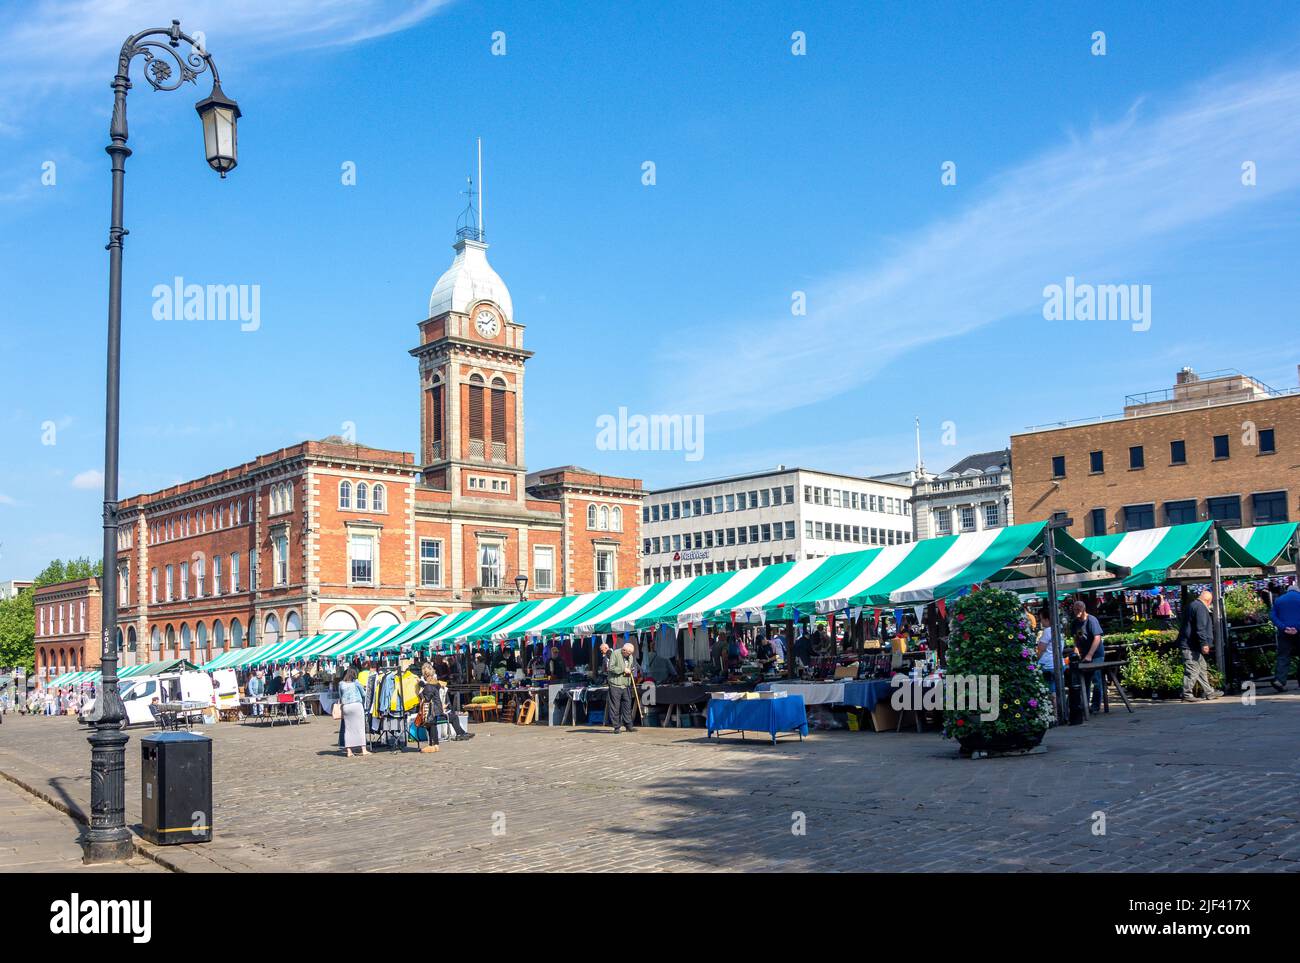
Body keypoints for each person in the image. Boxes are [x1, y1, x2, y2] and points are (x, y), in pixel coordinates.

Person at [418, 663, 473, 752]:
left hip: (432, 711)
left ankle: (433, 745)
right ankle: (436, 744)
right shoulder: (435, 683)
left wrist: (421, 689)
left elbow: (426, 699)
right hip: (437, 710)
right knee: (434, 725)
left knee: (431, 725)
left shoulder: (428, 686)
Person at [1179, 589, 1222, 701]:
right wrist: (1204, 644)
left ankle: (1209, 692)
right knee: (1192, 669)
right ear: (1208, 601)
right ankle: (1187, 694)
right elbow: (1200, 627)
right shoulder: (1201, 608)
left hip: (1192, 644)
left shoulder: (1192, 605)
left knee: (1202, 668)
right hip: (1191, 645)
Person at [1070, 600, 1106, 712]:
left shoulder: (1091, 620)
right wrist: (1076, 648)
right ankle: (1084, 705)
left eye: (1079, 609)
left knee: (1096, 680)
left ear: (1083, 609)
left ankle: (1095, 706)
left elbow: (1097, 638)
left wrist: (1090, 654)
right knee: (1084, 680)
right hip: (1084, 655)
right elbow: (1076, 637)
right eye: (1075, 609)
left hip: (1096, 654)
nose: (1077, 612)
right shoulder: (1075, 622)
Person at [1270, 583, 1300, 692]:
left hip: (1284, 632)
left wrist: (1284, 627)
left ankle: (1280, 680)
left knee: (1283, 656)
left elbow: (1273, 616)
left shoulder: (1279, 600)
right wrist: (1297, 628)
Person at [606, 641, 637, 733]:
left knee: (627, 706)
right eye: (628, 653)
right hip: (615, 684)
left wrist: (631, 670)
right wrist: (623, 669)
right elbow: (610, 668)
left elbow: (629, 667)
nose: (630, 655)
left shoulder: (630, 656)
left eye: (631, 653)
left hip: (626, 684)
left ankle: (628, 726)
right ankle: (616, 727)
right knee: (615, 707)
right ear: (624, 650)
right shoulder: (615, 654)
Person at [338, 668, 369, 757]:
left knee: (348, 729)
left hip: (346, 706)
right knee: (360, 727)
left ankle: (349, 751)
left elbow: (340, 696)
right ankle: (363, 749)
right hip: (356, 705)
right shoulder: (356, 683)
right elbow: (363, 694)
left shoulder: (341, 684)